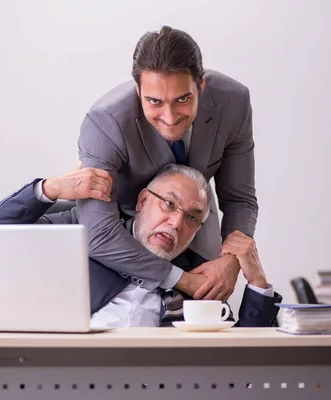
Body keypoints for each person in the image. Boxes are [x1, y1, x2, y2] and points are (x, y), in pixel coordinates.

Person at [76, 25, 258, 302]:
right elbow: (99, 234)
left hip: (196, 225)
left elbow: (239, 199)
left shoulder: (234, 102)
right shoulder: (105, 122)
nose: (170, 117)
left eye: (183, 99)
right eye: (154, 102)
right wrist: (181, 280)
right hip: (126, 236)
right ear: (138, 90)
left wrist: (231, 260)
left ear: (201, 85)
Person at [0, 164, 281, 328]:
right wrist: (49, 189)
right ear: (142, 201)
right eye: (169, 204)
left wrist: (257, 284)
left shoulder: (197, 275)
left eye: (192, 218)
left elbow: (236, 366)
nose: (176, 223)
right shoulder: (83, 234)